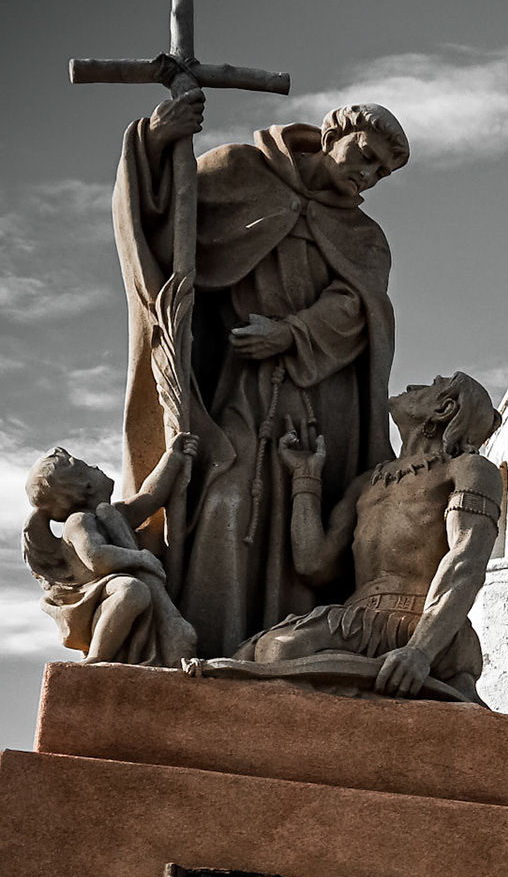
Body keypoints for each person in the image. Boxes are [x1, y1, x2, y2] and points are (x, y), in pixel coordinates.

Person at [113, 90, 409, 655]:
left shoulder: (365, 237)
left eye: (382, 173)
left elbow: (361, 306)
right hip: (237, 384)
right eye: (366, 155)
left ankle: (278, 658)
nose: (369, 176)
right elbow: (160, 229)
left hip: (323, 396)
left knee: (307, 516)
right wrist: (158, 141)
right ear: (333, 135)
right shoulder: (241, 171)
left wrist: (292, 332)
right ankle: (207, 653)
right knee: (224, 498)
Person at [228, 373, 503, 702]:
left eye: (432, 385)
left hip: (421, 625)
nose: (412, 386)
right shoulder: (366, 483)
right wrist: (305, 477)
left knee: (278, 651)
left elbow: (465, 561)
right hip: (356, 621)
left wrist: (420, 651)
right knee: (248, 654)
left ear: (444, 409)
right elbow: (313, 564)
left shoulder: (469, 469)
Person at [23, 438, 200, 666]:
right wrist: (139, 557)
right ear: (86, 487)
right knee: (132, 589)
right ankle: (97, 657)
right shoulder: (79, 521)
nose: (96, 466)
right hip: (97, 593)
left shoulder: (114, 514)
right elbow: (97, 558)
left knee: (135, 589)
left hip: (120, 588)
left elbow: (150, 497)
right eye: (88, 467)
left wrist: (173, 457)